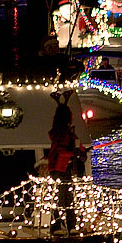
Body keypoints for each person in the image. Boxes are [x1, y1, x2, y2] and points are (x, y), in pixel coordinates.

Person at [47, 100, 79, 234]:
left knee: (65, 197)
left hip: (60, 168)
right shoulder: (63, 134)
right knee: (62, 198)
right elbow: (61, 151)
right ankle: (60, 226)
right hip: (61, 168)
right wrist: (75, 152)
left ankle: (68, 225)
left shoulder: (62, 133)